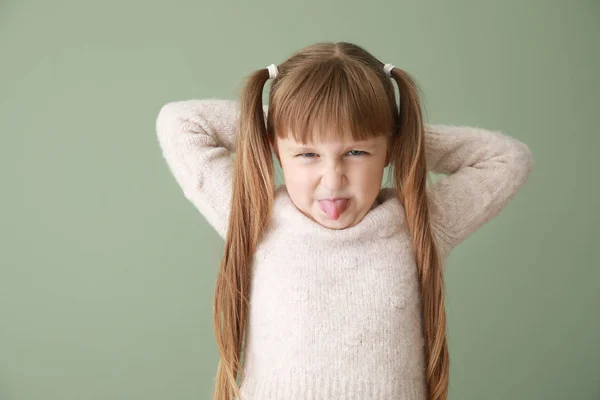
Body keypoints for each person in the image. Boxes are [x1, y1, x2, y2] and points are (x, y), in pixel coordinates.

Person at [155, 41, 533, 400]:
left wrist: (399, 132)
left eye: (356, 151)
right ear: (276, 149)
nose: (333, 179)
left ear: (389, 149)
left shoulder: (419, 224)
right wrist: (298, 115)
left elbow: (506, 157)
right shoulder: (257, 218)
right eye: (307, 153)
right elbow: (180, 123)